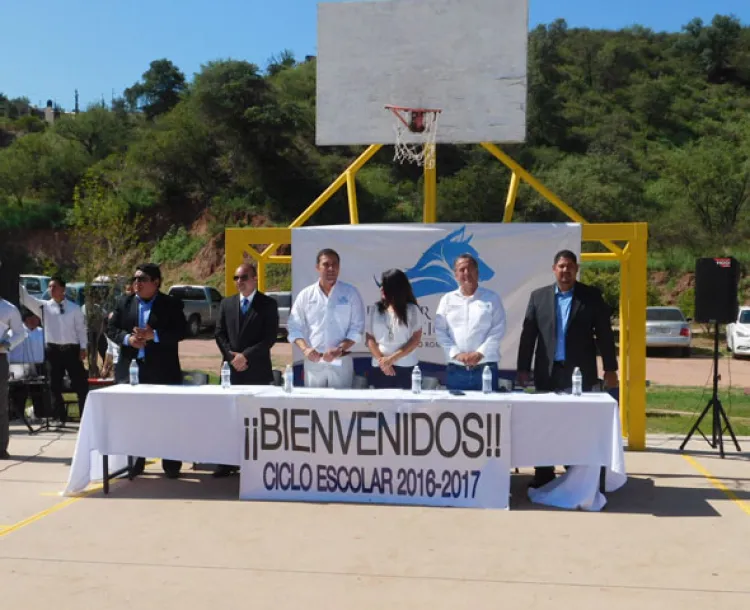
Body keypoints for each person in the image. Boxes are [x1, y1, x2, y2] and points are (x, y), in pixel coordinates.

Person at [516, 249, 619, 488]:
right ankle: (544, 472)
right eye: (561, 266)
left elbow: (604, 333)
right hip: (547, 372)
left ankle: (576, 473)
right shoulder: (538, 297)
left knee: (577, 424)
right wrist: (523, 368)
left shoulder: (591, 296)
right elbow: (528, 335)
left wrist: (610, 368)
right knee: (545, 423)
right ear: (554, 269)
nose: (566, 271)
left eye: (570, 266)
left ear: (577, 269)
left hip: (579, 374)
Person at [107, 263, 187, 479]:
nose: (137, 283)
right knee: (133, 419)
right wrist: (128, 339)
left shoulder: (170, 304)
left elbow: (182, 330)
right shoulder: (124, 302)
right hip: (131, 370)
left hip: (162, 371)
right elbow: (111, 328)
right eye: (135, 279)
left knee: (166, 418)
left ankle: (170, 462)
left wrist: (156, 336)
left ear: (156, 282)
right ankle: (135, 462)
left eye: (142, 279)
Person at [213, 262, 279, 477]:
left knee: (254, 419)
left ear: (254, 279)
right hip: (231, 370)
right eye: (236, 278)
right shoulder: (227, 303)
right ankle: (228, 461)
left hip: (256, 369)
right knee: (229, 417)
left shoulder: (267, 304)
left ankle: (255, 462)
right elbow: (219, 334)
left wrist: (245, 356)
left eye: (243, 277)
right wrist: (231, 357)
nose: (239, 282)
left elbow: (269, 338)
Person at [287, 248, 365, 388]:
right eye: (326, 264)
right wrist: (305, 349)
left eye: (335, 264)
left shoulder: (350, 293)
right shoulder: (306, 295)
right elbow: (294, 327)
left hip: (341, 361)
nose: (331, 268)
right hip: (314, 362)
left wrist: (340, 349)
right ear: (317, 267)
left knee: (342, 407)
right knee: (314, 405)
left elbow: (357, 329)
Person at [435, 254, 506, 391]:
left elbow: (498, 329)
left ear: (477, 273)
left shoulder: (492, 298)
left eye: (470, 269)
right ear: (456, 275)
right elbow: (440, 331)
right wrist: (456, 353)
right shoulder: (447, 300)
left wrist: (480, 353)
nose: (466, 273)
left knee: (489, 410)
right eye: (462, 270)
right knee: (456, 411)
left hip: (485, 369)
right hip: (456, 370)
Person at [21, 277, 88, 421]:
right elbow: (26, 299)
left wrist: (83, 347)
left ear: (63, 289)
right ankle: (60, 416)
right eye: (50, 287)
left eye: (54, 286)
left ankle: (85, 416)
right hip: (53, 350)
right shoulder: (43, 307)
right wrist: (16, 281)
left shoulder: (74, 308)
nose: (51, 289)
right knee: (54, 385)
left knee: (80, 384)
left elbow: (81, 330)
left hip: (72, 350)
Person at [365, 269, 422, 389]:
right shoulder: (376, 309)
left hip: (405, 367)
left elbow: (415, 340)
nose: (381, 289)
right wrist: (382, 361)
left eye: (385, 285)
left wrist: (392, 359)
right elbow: (370, 338)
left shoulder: (412, 310)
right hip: (380, 367)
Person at [8, 311, 47, 419]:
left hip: (38, 366)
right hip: (18, 367)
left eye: (37, 318)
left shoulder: (43, 332)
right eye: (32, 318)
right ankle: (17, 415)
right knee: (19, 393)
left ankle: (39, 414)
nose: (35, 320)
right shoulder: (14, 332)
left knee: (38, 392)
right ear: (26, 319)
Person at [0, 295, 25, 459]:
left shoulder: (8, 308)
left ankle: (1, 446)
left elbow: (20, 333)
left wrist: (6, 344)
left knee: (0, 404)